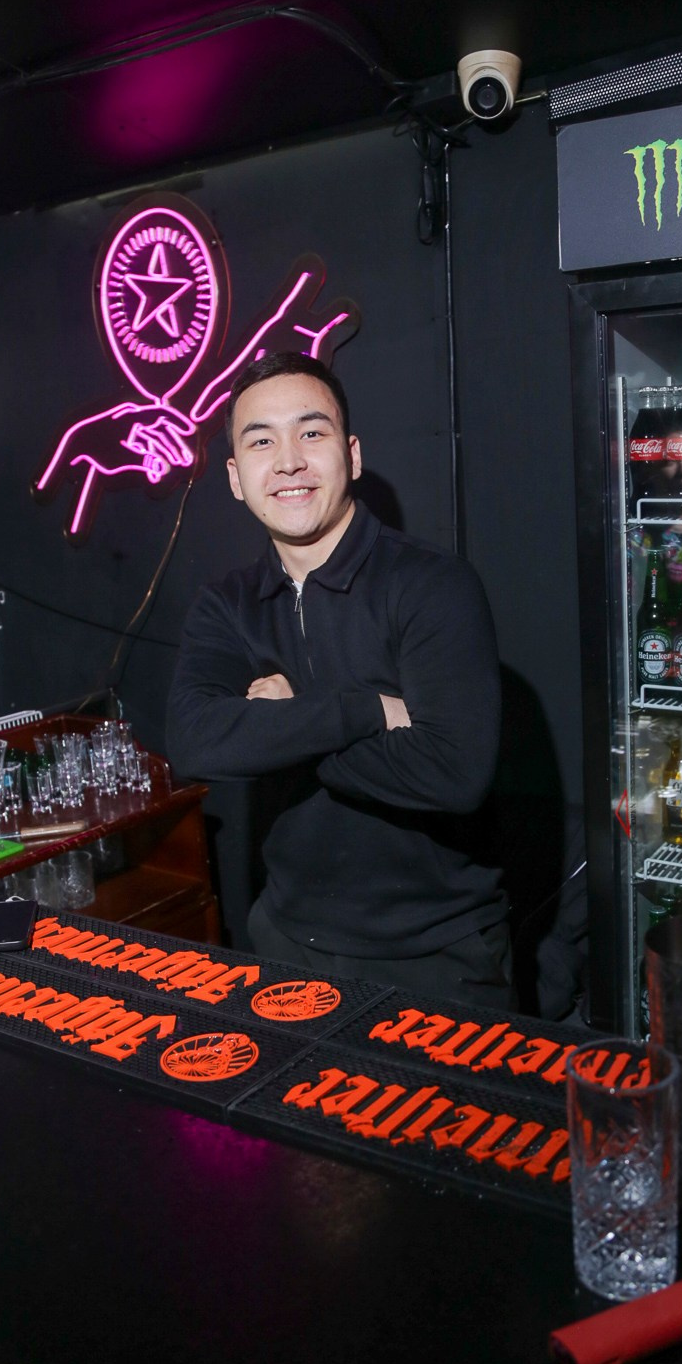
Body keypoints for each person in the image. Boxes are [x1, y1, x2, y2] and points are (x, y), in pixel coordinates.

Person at [167, 351, 512, 1007]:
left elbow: (453, 772)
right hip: (284, 939)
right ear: (236, 478)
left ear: (351, 456)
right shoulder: (227, 604)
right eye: (261, 441)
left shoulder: (431, 584)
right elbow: (194, 741)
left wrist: (283, 721)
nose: (288, 461)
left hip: (435, 953)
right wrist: (368, 710)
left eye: (311, 432)